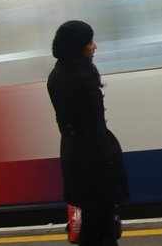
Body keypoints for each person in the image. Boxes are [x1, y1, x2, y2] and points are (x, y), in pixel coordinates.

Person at [48, 21, 128, 246]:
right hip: (92, 164)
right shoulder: (79, 76)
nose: (94, 47)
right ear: (77, 46)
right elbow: (91, 127)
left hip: (78, 159)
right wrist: (110, 167)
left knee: (92, 229)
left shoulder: (60, 72)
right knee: (100, 228)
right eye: (89, 42)